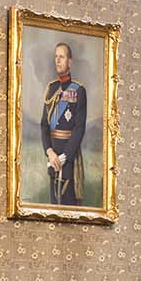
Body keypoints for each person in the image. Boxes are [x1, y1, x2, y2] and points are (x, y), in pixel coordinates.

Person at [38, 41, 87, 205]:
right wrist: (50, 152)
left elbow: (79, 128)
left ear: (70, 62)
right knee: (54, 205)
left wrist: (65, 156)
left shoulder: (79, 90)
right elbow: (44, 125)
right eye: (56, 57)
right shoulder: (51, 89)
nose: (58, 60)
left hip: (69, 158)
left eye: (62, 57)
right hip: (52, 158)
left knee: (68, 205)